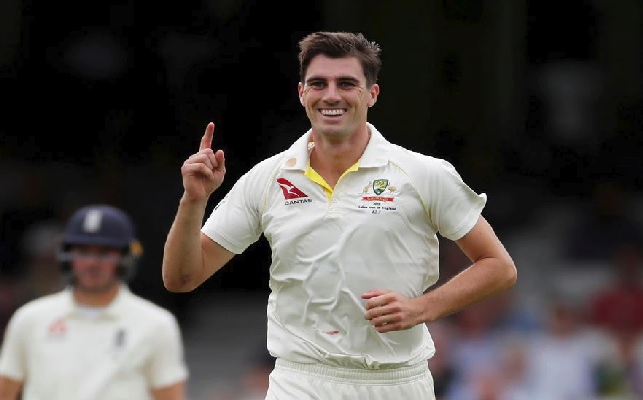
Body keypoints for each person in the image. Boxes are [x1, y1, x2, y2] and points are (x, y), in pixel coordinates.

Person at [162, 31, 517, 399]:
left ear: (372, 95)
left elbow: (499, 267)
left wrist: (422, 308)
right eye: (319, 83)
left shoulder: (423, 173)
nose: (331, 95)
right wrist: (193, 201)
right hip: (300, 381)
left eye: (346, 83)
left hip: (395, 382)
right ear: (302, 93)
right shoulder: (267, 177)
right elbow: (182, 277)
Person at [0, 204, 189, 400]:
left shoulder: (156, 324)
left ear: (126, 257)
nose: (92, 263)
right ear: (67, 256)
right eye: (83, 252)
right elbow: (1, 393)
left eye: (105, 253)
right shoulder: (30, 319)